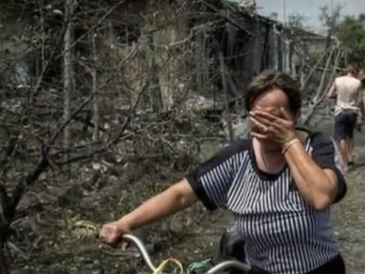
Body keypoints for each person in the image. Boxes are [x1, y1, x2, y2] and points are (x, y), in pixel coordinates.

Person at [99, 70, 347, 274]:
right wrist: (125, 223)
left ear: (295, 115)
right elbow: (181, 194)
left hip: (319, 269)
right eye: (257, 118)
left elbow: (320, 197)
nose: (265, 127)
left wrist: (289, 142)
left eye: (275, 119)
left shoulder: (316, 146)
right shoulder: (238, 157)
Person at [325, 65, 365, 171]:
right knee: (350, 135)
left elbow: (329, 95)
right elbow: (360, 100)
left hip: (340, 111)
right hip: (352, 111)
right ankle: (350, 156)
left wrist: (337, 96)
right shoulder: (357, 83)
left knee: (342, 138)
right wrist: (363, 114)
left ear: (346, 71)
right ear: (355, 72)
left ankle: (345, 162)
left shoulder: (338, 80)